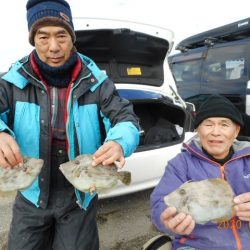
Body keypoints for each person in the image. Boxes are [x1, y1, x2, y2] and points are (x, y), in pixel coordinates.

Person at [0, 0, 140, 249]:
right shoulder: (12, 81)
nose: (53, 47)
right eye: (43, 37)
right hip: (31, 192)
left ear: (72, 37)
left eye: (61, 35)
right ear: (33, 39)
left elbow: (125, 119)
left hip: (80, 195)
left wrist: (119, 141)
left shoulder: (97, 80)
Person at [150, 94, 250, 250]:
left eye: (224, 124)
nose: (215, 132)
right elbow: (160, 203)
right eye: (208, 124)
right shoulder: (181, 164)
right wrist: (166, 220)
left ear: (236, 131)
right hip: (196, 244)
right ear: (198, 129)